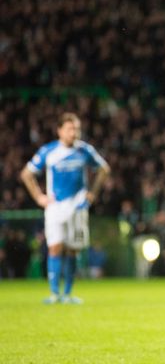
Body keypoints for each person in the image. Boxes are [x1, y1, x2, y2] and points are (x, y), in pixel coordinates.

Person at [20, 112, 110, 304]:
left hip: (78, 206)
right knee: (55, 247)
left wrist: (92, 193)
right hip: (55, 207)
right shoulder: (49, 151)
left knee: (72, 250)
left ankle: (68, 294)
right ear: (59, 130)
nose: (74, 132)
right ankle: (54, 293)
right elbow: (26, 174)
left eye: (76, 128)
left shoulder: (85, 150)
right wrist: (38, 197)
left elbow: (104, 169)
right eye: (69, 129)